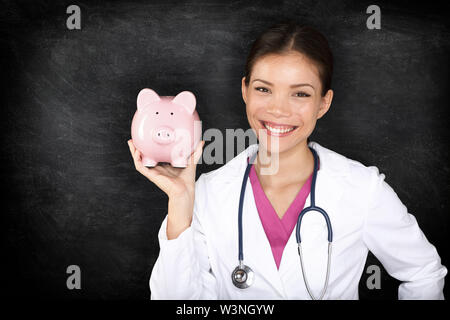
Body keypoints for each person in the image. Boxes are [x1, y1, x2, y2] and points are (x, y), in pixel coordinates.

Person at [127, 22, 447, 299]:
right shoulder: (208, 193)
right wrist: (180, 200)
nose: (278, 110)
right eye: (264, 89)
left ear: (324, 102)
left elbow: (423, 274)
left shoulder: (363, 189)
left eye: (301, 94)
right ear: (245, 90)